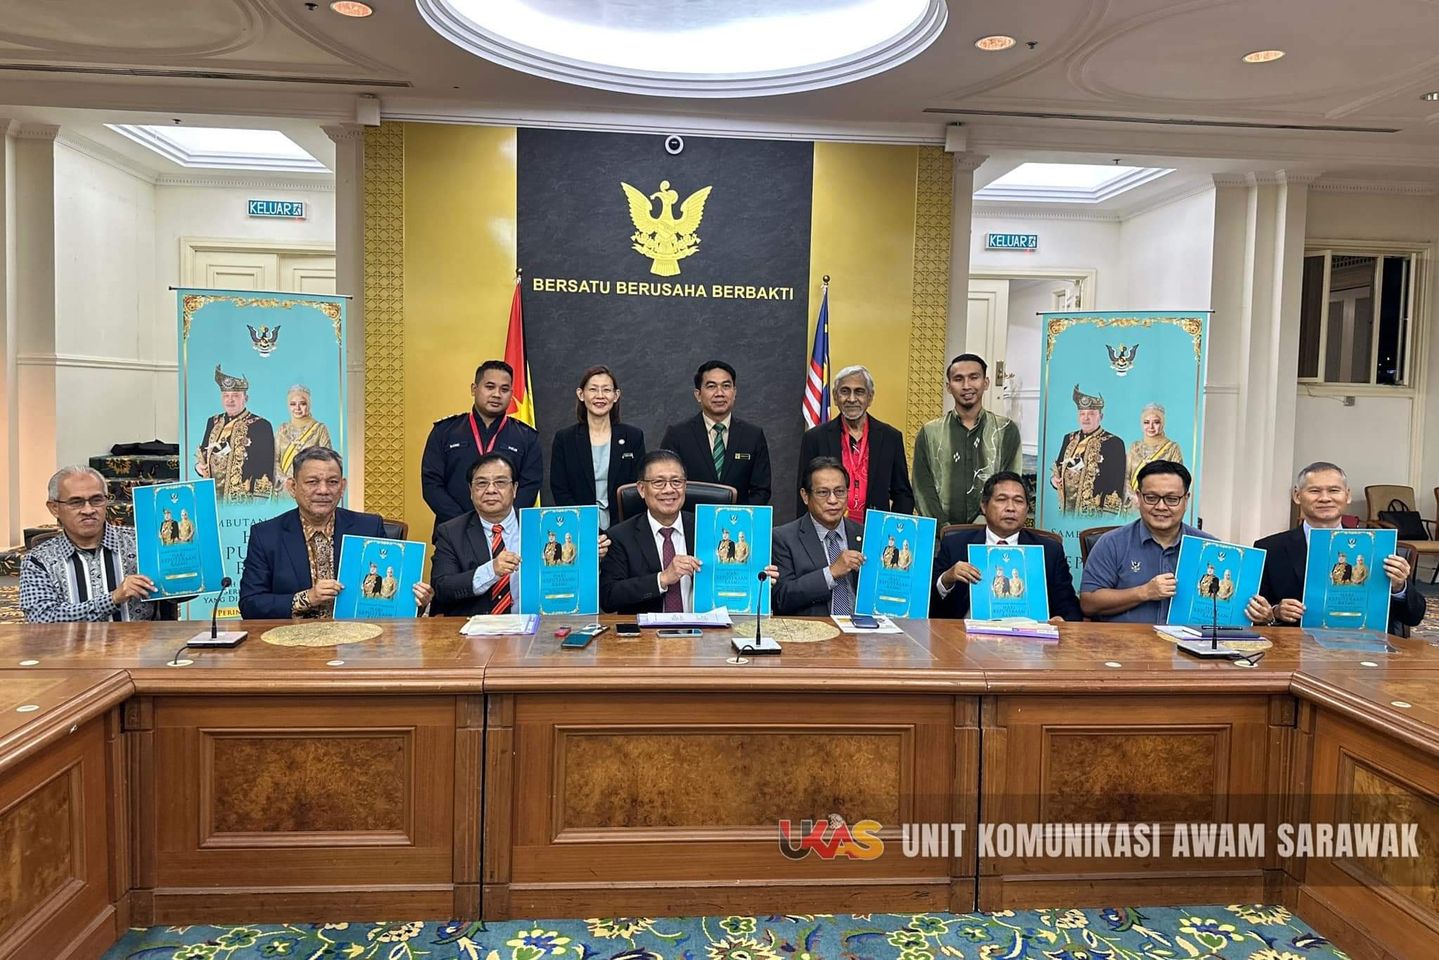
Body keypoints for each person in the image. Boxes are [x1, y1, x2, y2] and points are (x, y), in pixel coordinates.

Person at [239, 447, 434, 619]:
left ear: (342, 487)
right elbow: (250, 604)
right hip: (293, 641)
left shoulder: (368, 527)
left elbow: (385, 596)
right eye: (312, 482)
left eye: (332, 482)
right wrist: (307, 598)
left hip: (357, 639)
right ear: (292, 487)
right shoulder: (266, 535)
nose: (323, 490)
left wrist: (417, 601)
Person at [1080, 461, 1272, 624]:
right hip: (1125, 648)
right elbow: (1088, 603)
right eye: (1151, 498)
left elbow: (1230, 609)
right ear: (1138, 497)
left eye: (1172, 499)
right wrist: (1144, 592)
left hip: (1191, 650)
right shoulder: (1112, 543)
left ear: (1186, 499)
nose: (1161, 506)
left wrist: (1262, 615)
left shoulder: (1209, 548)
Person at [432, 453, 611, 617]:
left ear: (515, 488)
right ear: (471, 490)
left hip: (537, 625)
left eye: (500, 482)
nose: (491, 490)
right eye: (481, 483)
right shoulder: (451, 532)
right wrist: (491, 570)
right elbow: (442, 588)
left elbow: (564, 570)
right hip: (475, 630)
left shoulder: (541, 523)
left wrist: (590, 556)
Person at [1256, 461, 1424, 632]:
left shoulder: (1377, 544)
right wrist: (1275, 612)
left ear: (1347, 495)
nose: (1325, 498)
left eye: (1334, 490)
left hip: (1367, 642)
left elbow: (1414, 616)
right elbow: (1256, 610)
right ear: (1297, 496)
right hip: (1295, 643)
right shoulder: (1270, 549)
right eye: (1314, 491)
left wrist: (1399, 587)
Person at [931, 471, 1082, 621]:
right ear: (984, 506)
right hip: (965, 632)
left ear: (1027, 509)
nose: (1011, 508)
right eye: (1002, 499)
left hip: (1029, 634)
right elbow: (928, 607)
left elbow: (1070, 608)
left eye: (1018, 501)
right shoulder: (955, 545)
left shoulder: (1049, 551)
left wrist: (1061, 621)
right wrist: (946, 579)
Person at [21, 466, 161, 622]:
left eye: (97, 500)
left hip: (140, 637)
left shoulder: (140, 543)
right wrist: (113, 599)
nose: (88, 510)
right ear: (55, 508)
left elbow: (173, 592)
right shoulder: (38, 560)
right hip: (73, 639)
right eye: (76, 502)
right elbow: (41, 619)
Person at [422, 361, 543, 533]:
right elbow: (432, 485)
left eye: (504, 389)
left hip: (506, 533)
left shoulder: (526, 437)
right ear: (474, 389)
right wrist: (465, 524)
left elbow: (529, 487)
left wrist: (499, 522)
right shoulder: (445, 432)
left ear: (511, 394)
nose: (497, 394)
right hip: (454, 532)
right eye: (490, 387)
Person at [912, 354, 1022, 526]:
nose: (966, 386)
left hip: (990, 533)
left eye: (974, 377)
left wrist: (984, 528)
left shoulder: (1005, 430)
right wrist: (943, 528)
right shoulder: (930, 432)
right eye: (958, 379)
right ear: (948, 386)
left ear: (986, 382)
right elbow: (922, 488)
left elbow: (1011, 485)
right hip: (941, 536)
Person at [795, 365, 913, 519]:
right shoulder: (814, 438)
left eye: (859, 392)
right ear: (835, 397)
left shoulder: (890, 438)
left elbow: (902, 494)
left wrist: (896, 528)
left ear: (870, 397)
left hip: (874, 529)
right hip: (828, 527)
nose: (851, 399)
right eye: (845, 391)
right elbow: (804, 492)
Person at [599, 451, 704, 614]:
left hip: (702, 628)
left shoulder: (705, 528)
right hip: (644, 629)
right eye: (658, 482)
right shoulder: (620, 537)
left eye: (676, 482)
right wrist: (662, 579)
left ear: (685, 486)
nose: (669, 489)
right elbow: (609, 597)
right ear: (641, 489)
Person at [660, 360, 771, 505]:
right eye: (711, 386)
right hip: (692, 517)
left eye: (726, 386)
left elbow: (761, 490)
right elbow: (667, 484)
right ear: (698, 394)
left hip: (737, 518)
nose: (719, 393)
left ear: (734, 392)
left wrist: (737, 516)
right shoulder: (677, 435)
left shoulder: (752, 435)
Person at [549, 365, 645, 530]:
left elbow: (639, 486)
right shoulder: (565, 439)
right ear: (581, 394)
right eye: (593, 389)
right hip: (580, 527)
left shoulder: (633, 437)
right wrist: (587, 528)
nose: (600, 396)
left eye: (606, 390)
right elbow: (560, 489)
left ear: (616, 395)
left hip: (625, 528)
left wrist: (619, 531)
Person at [772, 457, 865, 616]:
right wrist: (831, 573)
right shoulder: (784, 538)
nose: (833, 500)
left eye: (840, 492)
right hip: (814, 629)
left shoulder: (864, 534)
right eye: (823, 492)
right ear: (805, 496)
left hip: (862, 628)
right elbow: (781, 599)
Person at [195, 365, 275, 501]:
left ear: (245, 398)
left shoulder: (261, 425)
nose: (230, 400)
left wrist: (260, 501)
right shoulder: (213, 422)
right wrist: (198, 467)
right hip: (213, 497)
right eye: (226, 395)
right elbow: (203, 454)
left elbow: (266, 466)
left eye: (235, 396)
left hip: (243, 499)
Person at [1052, 385, 1126, 516]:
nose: (1086, 418)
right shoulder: (1068, 438)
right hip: (1066, 511)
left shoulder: (1114, 443)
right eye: (1082, 414)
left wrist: (1108, 516)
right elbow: (1058, 469)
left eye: (1091, 414)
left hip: (1094, 514)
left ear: (1100, 417)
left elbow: (1117, 482)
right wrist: (1053, 480)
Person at [1125, 403, 1183, 504]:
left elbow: (1177, 480)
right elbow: (1125, 476)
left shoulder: (1172, 448)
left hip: (1158, 505)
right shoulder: (1135, 447)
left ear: (1163, 423)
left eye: (1156, 422)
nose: (1151, 427)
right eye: (1146, 422)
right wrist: (1134, 497)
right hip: (1134, 505)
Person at [274, 384, 333, 480]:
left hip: (311, 484)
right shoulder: (282, 430)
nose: (297, 408)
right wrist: (285, 480)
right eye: (293, 404)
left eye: (302, 404)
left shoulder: (319, 429)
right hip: (285, 486)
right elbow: (274, 461)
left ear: (309, 404)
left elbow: (327, 461)